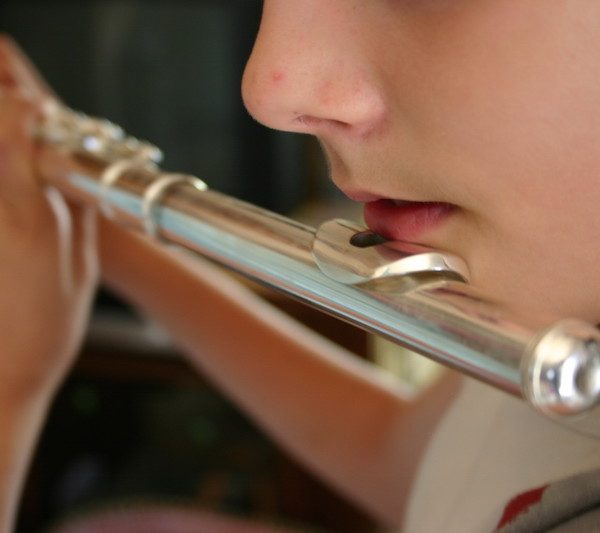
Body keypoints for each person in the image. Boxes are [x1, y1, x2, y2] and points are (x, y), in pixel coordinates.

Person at [3, 0, 600, 531]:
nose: (269, 92)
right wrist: (109, 232)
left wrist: (10, 384)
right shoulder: (557, 315)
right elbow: (416, 463)